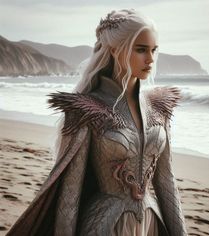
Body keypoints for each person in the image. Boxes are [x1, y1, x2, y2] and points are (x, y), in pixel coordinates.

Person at [7, 9, 187, 236]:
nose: (150, 59)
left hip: (151, 225)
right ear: (115, 50)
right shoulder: (86, 109)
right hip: (104, 225)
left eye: (154, 50)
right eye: (141, 49)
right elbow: (70, 195)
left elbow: (167, 182)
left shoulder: (160, 106)